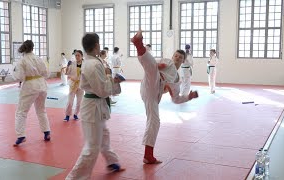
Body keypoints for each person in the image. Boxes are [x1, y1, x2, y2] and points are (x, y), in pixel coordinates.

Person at [131, 30, 198, 164]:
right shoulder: (168, 62)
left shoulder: (177, 80)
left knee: (154, 121)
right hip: (152, 81)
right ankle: (139, 44)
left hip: (154, 94)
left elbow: (176, 99)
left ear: (184, 61)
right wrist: (158, 66)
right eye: (176, 56)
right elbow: (156, 66)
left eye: (180, 58)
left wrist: (188, 97)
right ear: (172, 57)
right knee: (151, 68)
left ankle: (148, 155)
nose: (177, 59)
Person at [66, 33, 124, 180]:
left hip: (97, 105)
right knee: (92, 147)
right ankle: (74, 177)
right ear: (97, 45)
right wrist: (113, 80)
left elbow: (102, 85)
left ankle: (112, 161)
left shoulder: (94, 60)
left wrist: (111, 79)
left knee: (104, 135)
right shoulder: (92, 64)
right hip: (93, 107)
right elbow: (102, 90)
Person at [12, 40, 51, 146]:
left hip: (30, 86)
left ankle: (21, 135)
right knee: (41, 110)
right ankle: (47, 132)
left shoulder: (22, 61)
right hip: (42, 85)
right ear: (33, 48)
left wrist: (15, 74)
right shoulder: (39, 59)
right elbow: (47, 73)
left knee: (21, 111)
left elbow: (19, 77)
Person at [64, 50, 84, 121]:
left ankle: (76, 114)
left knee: (79, 102)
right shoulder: (72, 63)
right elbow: (67, 73)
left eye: (79, 55)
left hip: (81, 85)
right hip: (73, 84)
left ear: (82, 56)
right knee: (70, 101)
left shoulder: (85, 64)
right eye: (76, 55)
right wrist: (67, 67)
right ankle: (67, 115)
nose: (77, 57)